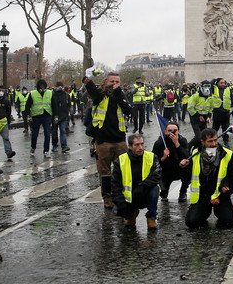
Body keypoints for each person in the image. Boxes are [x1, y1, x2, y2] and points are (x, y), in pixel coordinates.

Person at [84, 71, 134, 210]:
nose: (115, 84)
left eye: (117, 82)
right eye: (112, 82)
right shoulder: (100, 95)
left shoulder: (121, 95)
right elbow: (93, 91)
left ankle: (121, 196)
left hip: (119, 140)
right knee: (105, 173)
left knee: (122, 171)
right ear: (106, 82)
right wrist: (87, 80)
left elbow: (129, 111)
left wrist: (118, 94)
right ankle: (107, 198)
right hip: (103, 141)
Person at [185, 129, 233, 229]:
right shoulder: (195, 154)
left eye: (215, 140)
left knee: (229, 221)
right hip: (202, 196)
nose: (214, 143)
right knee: (192, 222)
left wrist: (221, 197)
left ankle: (219, 211)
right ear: (203, 142)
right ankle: (204, 211)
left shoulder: (228, 154)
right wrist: (185, 167)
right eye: (210, 141)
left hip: (220, 195)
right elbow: (188, 177)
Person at [111, 133, 162, 230]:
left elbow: (157, 175)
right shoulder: (120, 160)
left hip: (144, 192)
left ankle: (151, 217)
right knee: (117, 211)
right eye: (137, 145)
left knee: (155, 189)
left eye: (142, 144)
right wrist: (120, 203)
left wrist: (142, 187)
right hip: (129, 197)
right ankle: (131, 215)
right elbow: (115, 184)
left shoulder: (151, 157)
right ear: (130, 146)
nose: (141, 147)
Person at [152, 121, 191, 202]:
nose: (172, 133)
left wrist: (177, 144)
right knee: (164, 192)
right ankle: (164, 191)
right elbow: (153, 162)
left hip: (180, 167)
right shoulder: (159, 143)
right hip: (166, 170)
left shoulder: (182, 140)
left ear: (178, 131)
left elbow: (187, 157)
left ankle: (183, 192)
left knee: (189, 168)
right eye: (169, 130)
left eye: (175, 130)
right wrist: (163, 157)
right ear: (165, 131)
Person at [24, 79, 55, 157]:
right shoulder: (33, 93)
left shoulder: (50, 92)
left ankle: (46, 151)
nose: (42, 87)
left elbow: (54, 105)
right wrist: (28, 115)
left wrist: (56, 115)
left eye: (44, 86)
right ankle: (33, 147)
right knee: (35, 134)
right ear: (38, 86)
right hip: (36, 116)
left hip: (47, 115)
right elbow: (27, 105)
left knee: (47, 134)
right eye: (41, 86)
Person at [0, 86, 16, 160]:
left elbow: (9, 112)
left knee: (6, 138)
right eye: (0, 90)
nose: (1, 92)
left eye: (2, 90)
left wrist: (9, 122)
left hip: (3, 122)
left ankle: (9, 152)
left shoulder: (6, 101)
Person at [51, 82, 72, 153]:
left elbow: (69, 104)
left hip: (63, 116)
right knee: (54, 131)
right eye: (58, 86)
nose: (60, 87)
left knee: (63, 130)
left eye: (61, 86)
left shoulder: (66, 95)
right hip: (54, 116)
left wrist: (66, 113)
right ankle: (54, 145)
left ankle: (64, 146)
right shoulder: (52, 95)